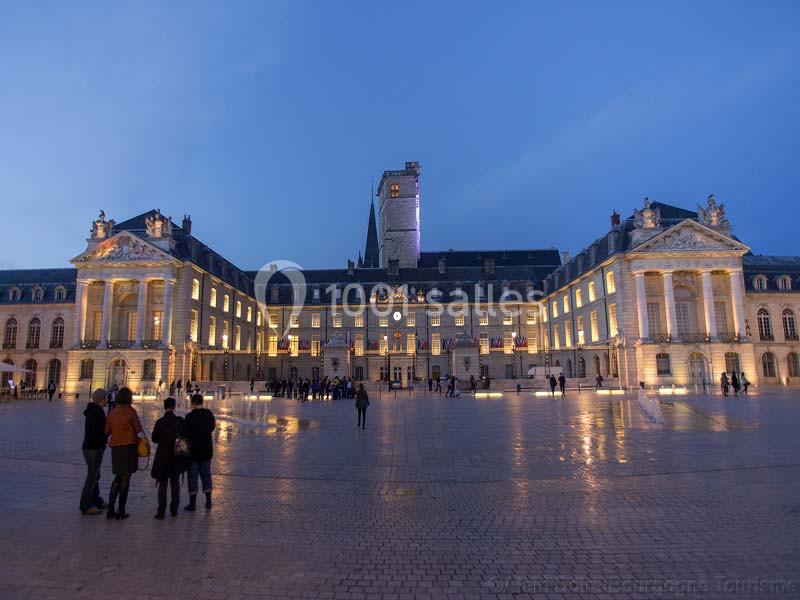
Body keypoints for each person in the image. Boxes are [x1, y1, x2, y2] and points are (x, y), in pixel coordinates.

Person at [104, 387, 143, 520]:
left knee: (117, 477)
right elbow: (139, 430)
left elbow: (107, 431)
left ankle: (110, 508)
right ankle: (121, 510)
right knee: (126, 478)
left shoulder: (112, 413)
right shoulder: (131, 412)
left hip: (116, 448)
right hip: (129, 447)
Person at [151, 397, 187, 519]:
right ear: (174, 407)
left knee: (162, 484)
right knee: (175, 483)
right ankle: (174, 509)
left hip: (163, 456)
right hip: (176, 456)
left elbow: (154, 439)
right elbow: (185, 436)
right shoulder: (179, 421)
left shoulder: (160, 422)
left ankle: (161, 511)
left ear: (164, 407)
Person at [184, 393, 216, 511]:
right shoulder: (208, 414)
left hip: (193, 452)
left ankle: (192, 504)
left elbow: (185, 434)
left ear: (193, 403)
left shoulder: (189, 417)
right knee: (206, 475)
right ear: (202, 402)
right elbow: (212, 427)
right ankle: (208, 501)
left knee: (192, 476)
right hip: (206, 450)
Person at [80, 389, 108, 515]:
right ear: (101, 399)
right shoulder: (98, 413)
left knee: (95, 475)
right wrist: (106, 437)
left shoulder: (92, 410)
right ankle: (86, 505)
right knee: (92, 477)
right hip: (94, 448)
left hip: (88, 447)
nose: (107, 399)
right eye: (106, 397)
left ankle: (96, 500)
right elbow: (98, 433)